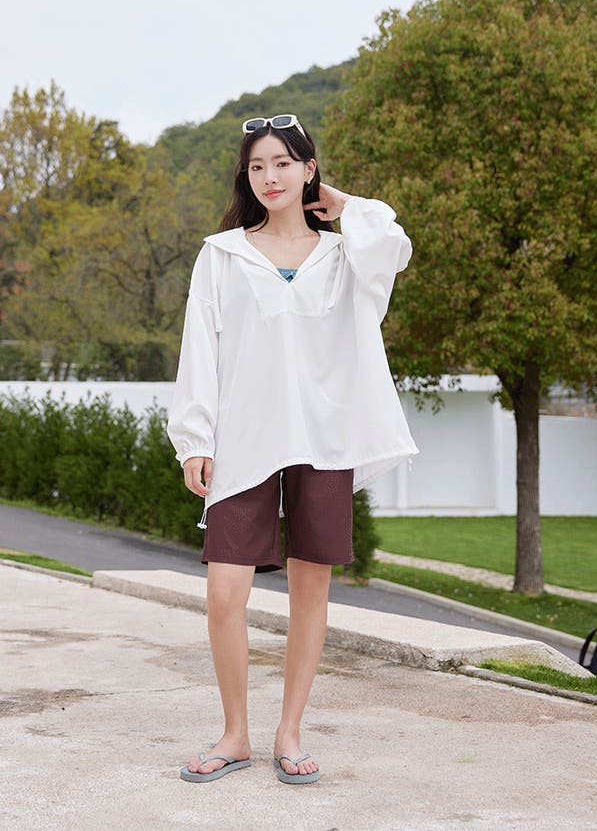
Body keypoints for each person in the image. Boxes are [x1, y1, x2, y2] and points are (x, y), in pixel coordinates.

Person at [167, 113, 419, 784]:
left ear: (309, 168)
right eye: (256, 166)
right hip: (243, 440)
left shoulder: (345, 256)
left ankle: (289, 733)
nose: (269, 177)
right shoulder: (222, 254)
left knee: (311, 589)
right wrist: (194, 438)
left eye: (283, 163)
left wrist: (345, 204)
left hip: (324, 438)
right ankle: (234, 735)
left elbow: (393, 244)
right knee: (225, 592)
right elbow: (200, 348)